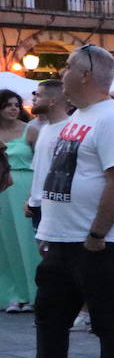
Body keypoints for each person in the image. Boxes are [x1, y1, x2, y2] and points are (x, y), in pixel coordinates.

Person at [0, 45, 114, 358]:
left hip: (99, 243)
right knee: (50, 321)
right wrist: (47, 231)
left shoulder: (112, 118)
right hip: (60, 241)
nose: (62, 74)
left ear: (87, 74)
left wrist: (97, 234)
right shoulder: (77, 119)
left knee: (108, 325)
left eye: (69, 67)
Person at [0, 89, 39, 312]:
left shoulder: (30, 130)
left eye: (16, 104)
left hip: (25, 186)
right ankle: (13, 293)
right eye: (8, 105)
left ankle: (33, 292)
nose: (14, 108)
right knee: (6, 244)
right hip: (1, 189)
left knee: (27, 241)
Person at [24, 80, 67, 236]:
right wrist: (30, 198)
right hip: (37, 206)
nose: (34, 100)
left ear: (52, 101)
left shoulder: (68, 129)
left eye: (39, 95)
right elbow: (39, 168)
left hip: (54, 209)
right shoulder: (44, 129)